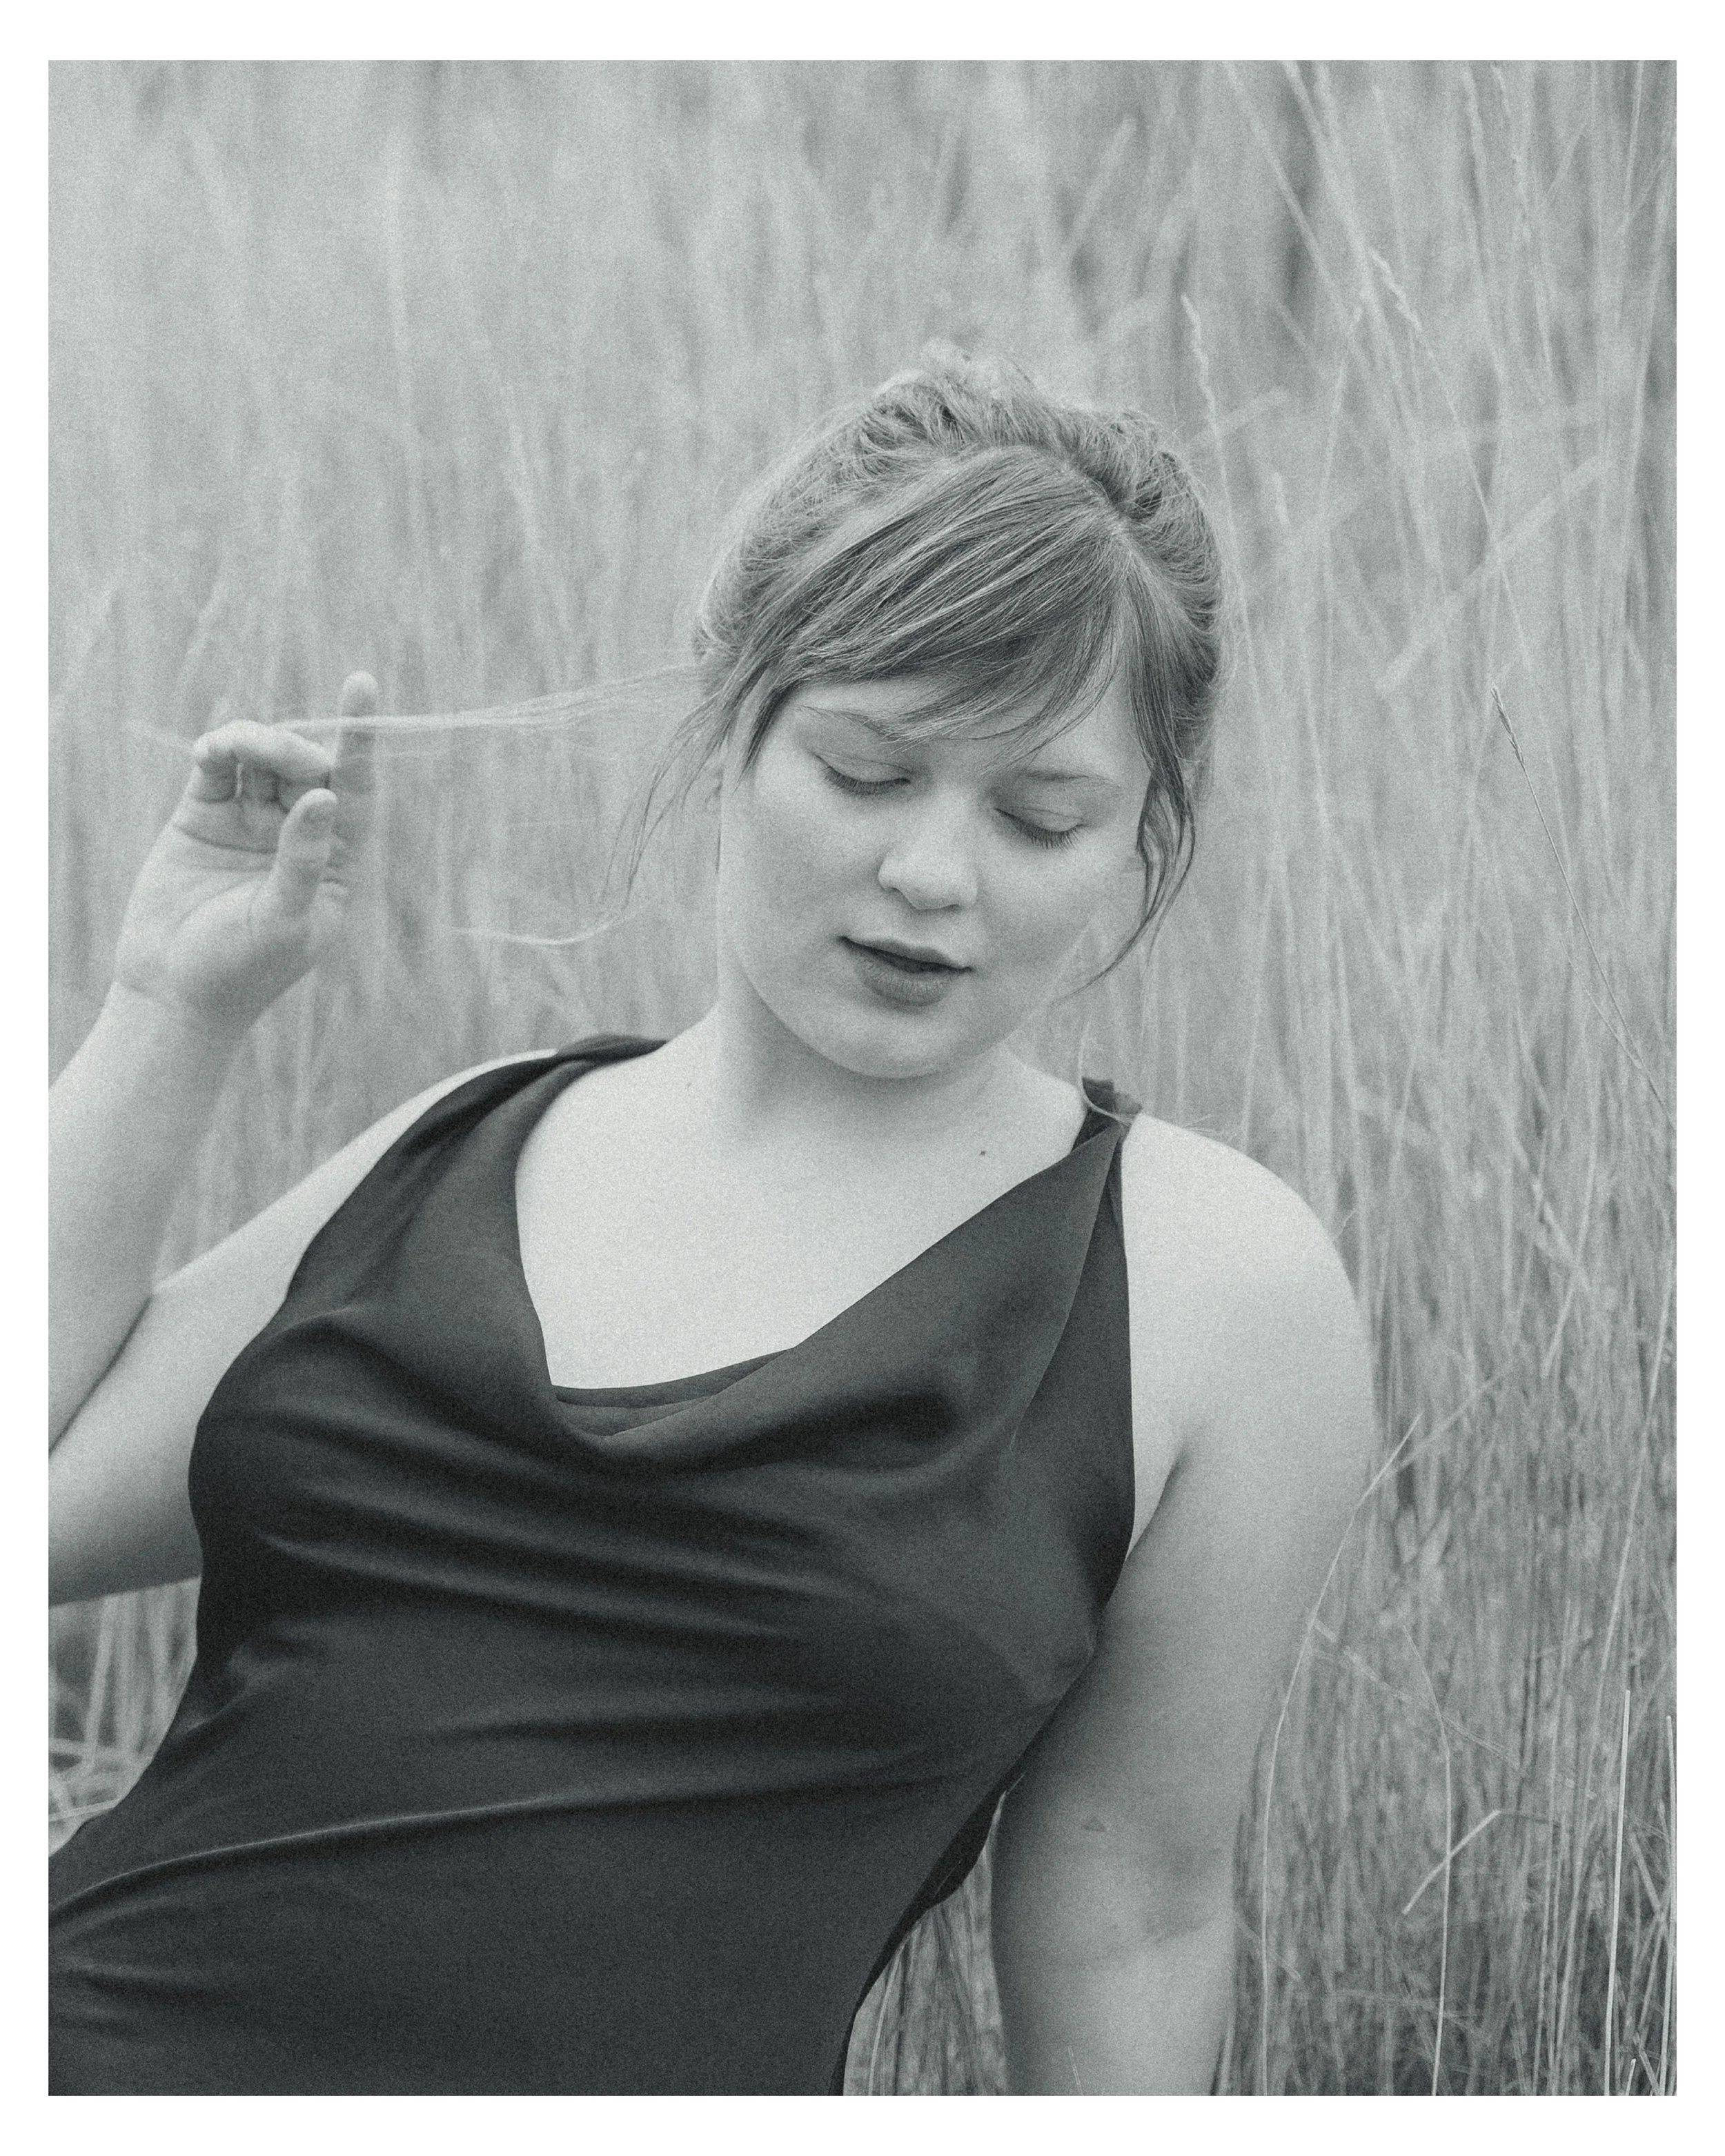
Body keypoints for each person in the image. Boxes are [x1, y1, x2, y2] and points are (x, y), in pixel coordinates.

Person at [48, 350, 1374, 2095]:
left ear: (1138, 843)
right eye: (867, 768)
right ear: (729, 723)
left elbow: (1129, 1896)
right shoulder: (471, 1143)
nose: (931, 872)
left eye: (1038, 812)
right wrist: (169, 1007)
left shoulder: (1211, 1285)